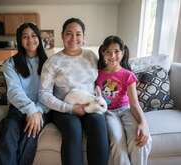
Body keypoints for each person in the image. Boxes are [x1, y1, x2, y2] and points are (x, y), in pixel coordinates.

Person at [39, 18, 109, 165]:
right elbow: (43, 94)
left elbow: (101, 78)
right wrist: (71, 108)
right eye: (69, 34)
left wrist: (99, 93)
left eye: (78, 34)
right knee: (73, 129)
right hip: (63, 108)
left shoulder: (91, 56)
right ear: (62, 36)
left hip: (90, 105)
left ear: (84, 37)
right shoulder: (53, 62)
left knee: (99, 125)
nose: (74, 38)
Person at [0, 22, 51, 165]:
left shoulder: (50, 62)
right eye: (25, 37)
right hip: (18, 108)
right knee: (7, 130)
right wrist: (30, 110)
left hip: (42, 108)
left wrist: (37, 112)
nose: (30, 40)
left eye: (33, 35)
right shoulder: (10, 63)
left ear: (39, 38)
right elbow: (14, 91)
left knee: (29, 135)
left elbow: (50, 92)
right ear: (20, 40)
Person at [96, 35, 152, 165]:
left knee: (138, 138)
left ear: (123, 52)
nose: (112, 55)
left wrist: (143, 123)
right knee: (116, 138)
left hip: (125, 110)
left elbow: (134, 104)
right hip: (107, 112)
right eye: (108, 52)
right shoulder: (97, 74)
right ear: (103, 52)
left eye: (116, 51)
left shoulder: (128, 75)